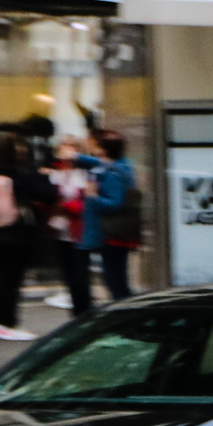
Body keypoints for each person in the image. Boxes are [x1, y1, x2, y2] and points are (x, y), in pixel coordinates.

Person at [0, 132, 50, 340]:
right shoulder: (19, 175)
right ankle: (8, 322)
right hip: (15, 232)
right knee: (12, 279)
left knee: (2, 278)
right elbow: (47, 193)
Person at [79, 130, 141, 303]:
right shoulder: (122, 166)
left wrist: (93, 197)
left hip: (113, 234)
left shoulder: (112, 173)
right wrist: (76, 157)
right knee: (116, 278)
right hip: (117, 233)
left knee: (115, 279)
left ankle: (125, 314)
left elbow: (115, 203)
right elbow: (95, 162)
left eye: (99, 147)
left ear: (105, 151)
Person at [43, 137, 96, 317]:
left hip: (79, 231)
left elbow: (87, 203)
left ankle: (85, 313)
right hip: (60, 230)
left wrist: (65, 206)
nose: (66, 157)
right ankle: (76, 314)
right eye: (62, 152)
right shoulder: (55, 174)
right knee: (68, 276)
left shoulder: (85, 175)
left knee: (80, 276)